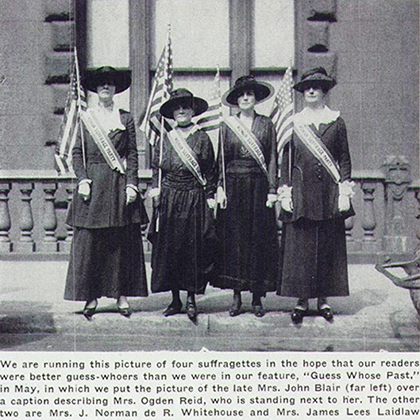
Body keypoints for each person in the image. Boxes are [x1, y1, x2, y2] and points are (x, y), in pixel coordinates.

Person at [64, 66, 148, 319]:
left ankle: (121, 296)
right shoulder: (85, 117)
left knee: (120, 244)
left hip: (118, 185)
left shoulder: (125, 118)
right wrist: (82, 179)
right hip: (93, 185)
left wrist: (132, 183)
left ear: (115, 89)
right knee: (91, 245)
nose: (105, 87)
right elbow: (76, 152)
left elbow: (132, 154)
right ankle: (91, 297)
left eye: (110, 84)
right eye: (101, 83)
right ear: (95, 89)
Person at [277, 67, 355, 324]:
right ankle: (301, 300)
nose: (311, 90)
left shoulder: (336, 122)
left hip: (328, 194)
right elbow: (286, 159)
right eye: (307, 87)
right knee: (301, 248)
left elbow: (343, 158)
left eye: (317, 87)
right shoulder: (295, 122)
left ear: (324, 92)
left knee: (326, 246)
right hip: (301, 192)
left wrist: (344, 189)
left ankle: (323, 300)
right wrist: (285, 191)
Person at [211, 75, 280, 318]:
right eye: (241, 95)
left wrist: (273, 189)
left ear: (256, 98)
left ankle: (257, 297)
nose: (245, 98)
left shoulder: (266, 124)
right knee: (235, 241)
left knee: (257, 239)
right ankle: (237, 295)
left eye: (249, 94)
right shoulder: (226, 125)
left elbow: (272, 158)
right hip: (233, 186)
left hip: (258, 186)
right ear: (236, 100)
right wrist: (219, 187)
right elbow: (221, 160)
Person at [148, 88, 217, 322]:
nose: (181, 112)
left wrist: (209, 195)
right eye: (177, 108)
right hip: (170, 197)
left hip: (193, 197)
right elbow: (157, 168)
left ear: (192, 110)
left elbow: (210, 170)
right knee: (171, 249)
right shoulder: (166, 139)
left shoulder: (202, 138)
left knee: (192, 249)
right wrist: (155, 190)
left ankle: (190, 298)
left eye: (185, 107)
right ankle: (175, 299)